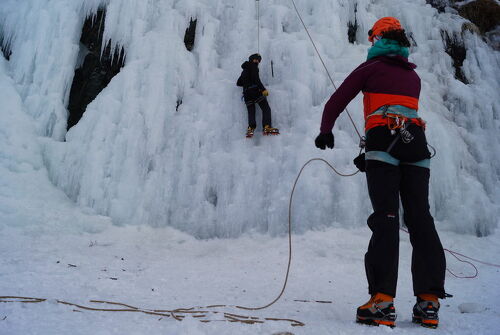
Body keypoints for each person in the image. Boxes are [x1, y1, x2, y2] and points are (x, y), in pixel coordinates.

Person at [315, 17, 446, 329]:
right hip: (416, 144)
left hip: (383, 142)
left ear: (377, 40)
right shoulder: (413, 77)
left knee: (386, 218)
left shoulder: (369, 69)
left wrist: (325, 131)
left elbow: (337, 100)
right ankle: (429, 302)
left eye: (372, 39)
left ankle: (382, 303)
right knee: (420, 219)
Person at [237, 53, 279, 137]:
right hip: (255, 91)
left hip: (246, 94)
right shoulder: (253, 66)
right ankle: (267, 126)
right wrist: (263, 89)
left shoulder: (244, 70)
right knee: (265, 108)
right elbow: (256, 79)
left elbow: (238, 83)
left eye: (258, 60)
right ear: (251, 59)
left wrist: (247, 83)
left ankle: (250, 129)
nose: (257, 61)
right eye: (255, 59)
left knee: (251, 111)